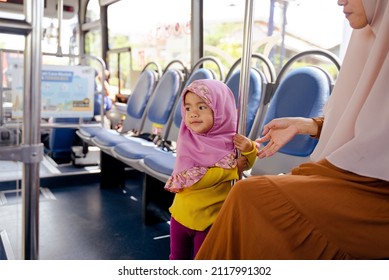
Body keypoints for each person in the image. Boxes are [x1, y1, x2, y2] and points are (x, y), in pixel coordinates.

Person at [195, 0, 389, 260]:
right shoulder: (371, 44)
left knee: (251, 196)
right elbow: (367, 126)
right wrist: (307, 125)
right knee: (252, 196)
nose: (340, 1)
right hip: (358, 177)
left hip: (377, 192)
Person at [164, 79, 258, 260]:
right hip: (182, 215)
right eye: (188, 108)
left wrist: (249, 149)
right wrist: (230, 169)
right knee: (177, 258)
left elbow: (246, 164)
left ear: (220, 109)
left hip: (212, 219)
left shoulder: (232, 139)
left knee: (205, 258)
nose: (192, 114)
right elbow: (196, 180)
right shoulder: (188, 139)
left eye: (201, 107)